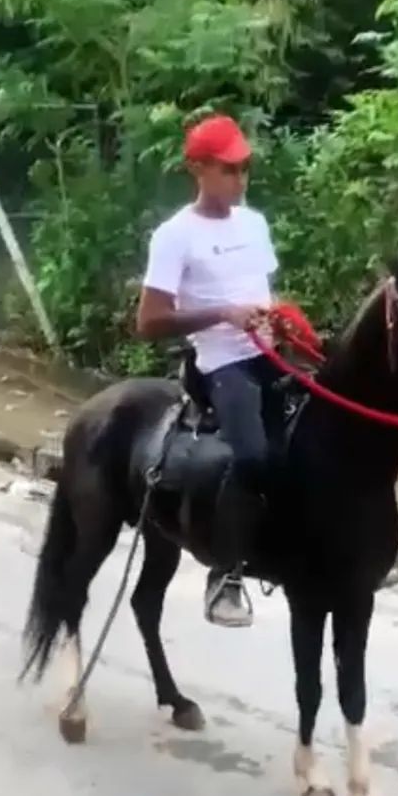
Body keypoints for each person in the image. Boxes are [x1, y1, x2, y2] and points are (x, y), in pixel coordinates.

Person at [136, 114, 283, 628]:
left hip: (272, 351)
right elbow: (149, 321)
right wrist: (222, 313)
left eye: (245, 168)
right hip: (221, 361)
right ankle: (226, 574)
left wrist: (281, 318)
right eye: (229, 170)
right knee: (252, 454)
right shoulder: (175, 236)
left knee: (329, 430)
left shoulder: (254, 223)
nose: (241, 180)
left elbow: (263, 289)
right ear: (197, 168)